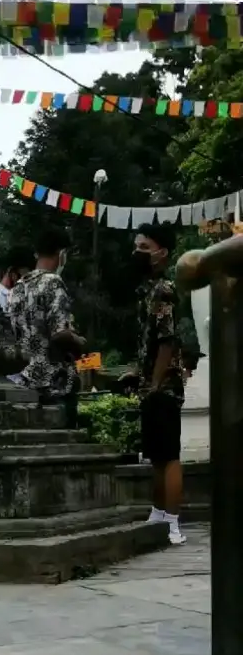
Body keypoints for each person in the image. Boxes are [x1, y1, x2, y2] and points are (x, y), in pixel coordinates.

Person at [132, 222, 186, 546]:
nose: (137, 253)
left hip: (163, 385)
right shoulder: (148, 291)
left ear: (161, 253)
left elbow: (167, 341)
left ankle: (174, 522)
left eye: (144, 248)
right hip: (149, 383)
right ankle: (158, 513)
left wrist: (154, 384)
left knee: (170, 454)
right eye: (136, 247)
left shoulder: (163, 290)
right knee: (156, 454)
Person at [7, 230, 85, 428]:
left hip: (25, 381)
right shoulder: (53, 282)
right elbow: (60, 334)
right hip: (54, 383)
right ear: (61, 254)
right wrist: (79, 341)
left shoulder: (16, 288)